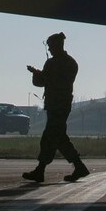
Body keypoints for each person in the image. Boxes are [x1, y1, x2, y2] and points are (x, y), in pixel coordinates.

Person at [23, 32, 89, 183]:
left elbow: (52, 81)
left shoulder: (63, 63)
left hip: (59, 106)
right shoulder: (62, 63)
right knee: (59, 138)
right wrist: (37, 74)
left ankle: (40, 171)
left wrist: (38, 73)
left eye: (51, 46)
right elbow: (45, 81)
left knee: (49, 137)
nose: (50, 50)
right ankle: (79, 167)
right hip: (57, 105)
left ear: (58, 45)